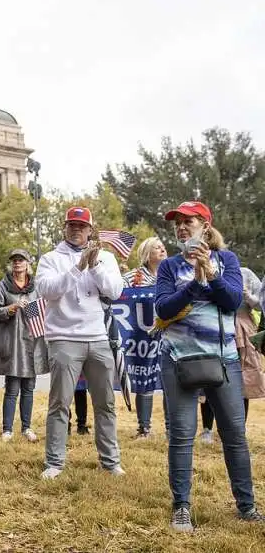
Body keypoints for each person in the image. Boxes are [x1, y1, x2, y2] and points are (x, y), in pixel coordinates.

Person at [156, 200, 264, 531]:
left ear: (205, 225)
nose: (181, 227)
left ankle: (246, 506)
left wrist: (211, 273)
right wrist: (193, 283)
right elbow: (162, 308)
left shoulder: (227, 260)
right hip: (178, 359)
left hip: (224, 360)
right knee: (182, 435)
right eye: (177, 223)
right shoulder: (170, 266)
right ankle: (182, 508)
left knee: (234, 435)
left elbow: (232, 300)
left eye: (188, 221)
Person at [36, 206, 125, 480]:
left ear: (90, 230)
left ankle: (110, 462)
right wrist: (77, 268)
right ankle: (55, 462)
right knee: (60, 403)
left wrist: (95, 265)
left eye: (81, 226)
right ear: (64, 228)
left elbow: (115, 290)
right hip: (63, 338)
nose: (76, 230)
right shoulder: (50, 258)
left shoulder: (106, 257)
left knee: (106, 403)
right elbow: (46, 290)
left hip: (97, 337)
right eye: (71, 225)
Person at [0, 249, 48, 443]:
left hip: (32, 343)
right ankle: (7, 429)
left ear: (28, 263)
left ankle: (27, 428)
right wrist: (11, 308)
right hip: (12, 344)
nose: (17, 263)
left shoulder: (37, 285)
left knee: (29, 388)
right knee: (12, 388)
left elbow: (46, 308)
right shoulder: (2, 286)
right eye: (14, 260)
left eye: (21, 260)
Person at [123, 236, 168, 438]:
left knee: (169, 380)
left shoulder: (172, 273)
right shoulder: (133, 277)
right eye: (156, 247)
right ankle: (144, 428)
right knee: (145, 379)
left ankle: (171, 427)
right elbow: (118, 294)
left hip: (169, 334)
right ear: (146, 254)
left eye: (163, 247)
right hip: (143, 337)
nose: (162, 249)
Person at [235, 267, 265, 422]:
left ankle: (240, 428)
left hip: (243, 326)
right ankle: (207, 429)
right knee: (213, 376)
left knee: (244, 376)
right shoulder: (206, 268)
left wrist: (247, 296)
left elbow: (261, 305)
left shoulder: (245, 273)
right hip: (216, 325)